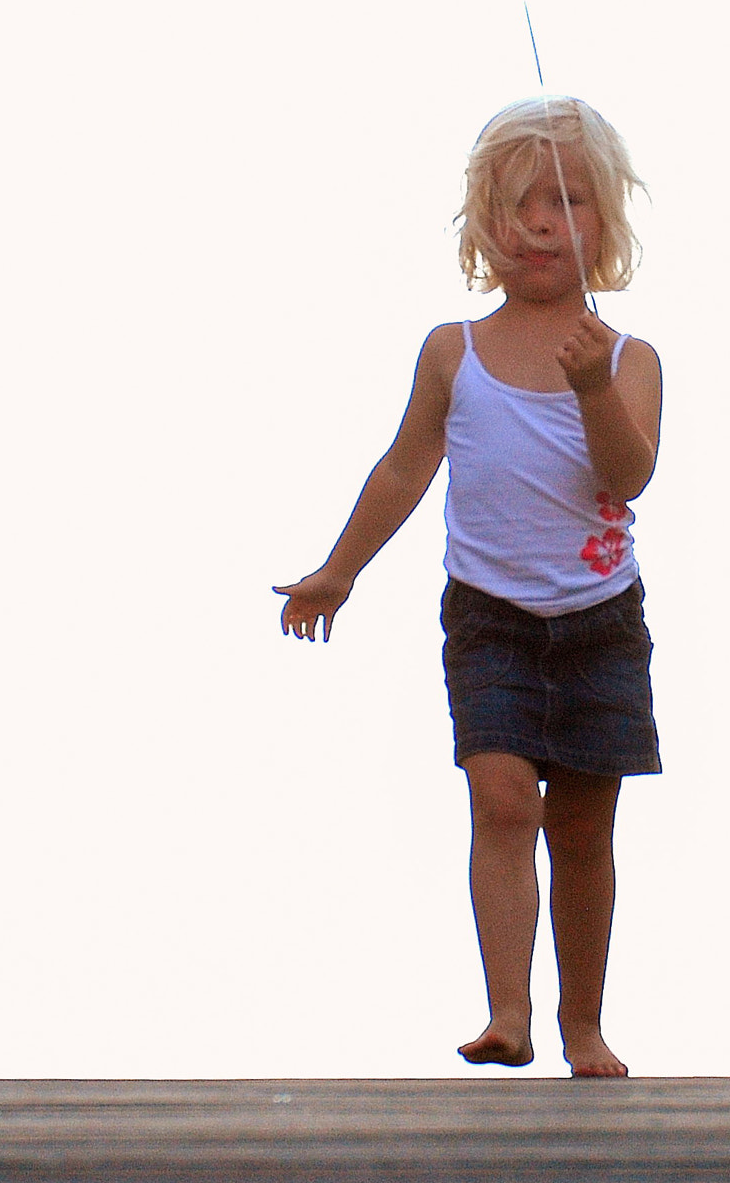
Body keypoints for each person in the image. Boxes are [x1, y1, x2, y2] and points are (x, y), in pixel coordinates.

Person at [274, 95, 663, 1080]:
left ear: (603, 226)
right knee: (499, 798)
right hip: (488, 617)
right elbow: (405, 467)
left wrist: (589, 388)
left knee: (581, 824)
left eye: (569, 200)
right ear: (484, 220)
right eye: (521, 201)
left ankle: (582, 1023)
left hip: (598, 625)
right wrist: (339, 568)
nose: (541, 220)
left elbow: (626, 473)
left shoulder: (626, 358)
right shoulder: (453, 351)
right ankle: (508, 1010)